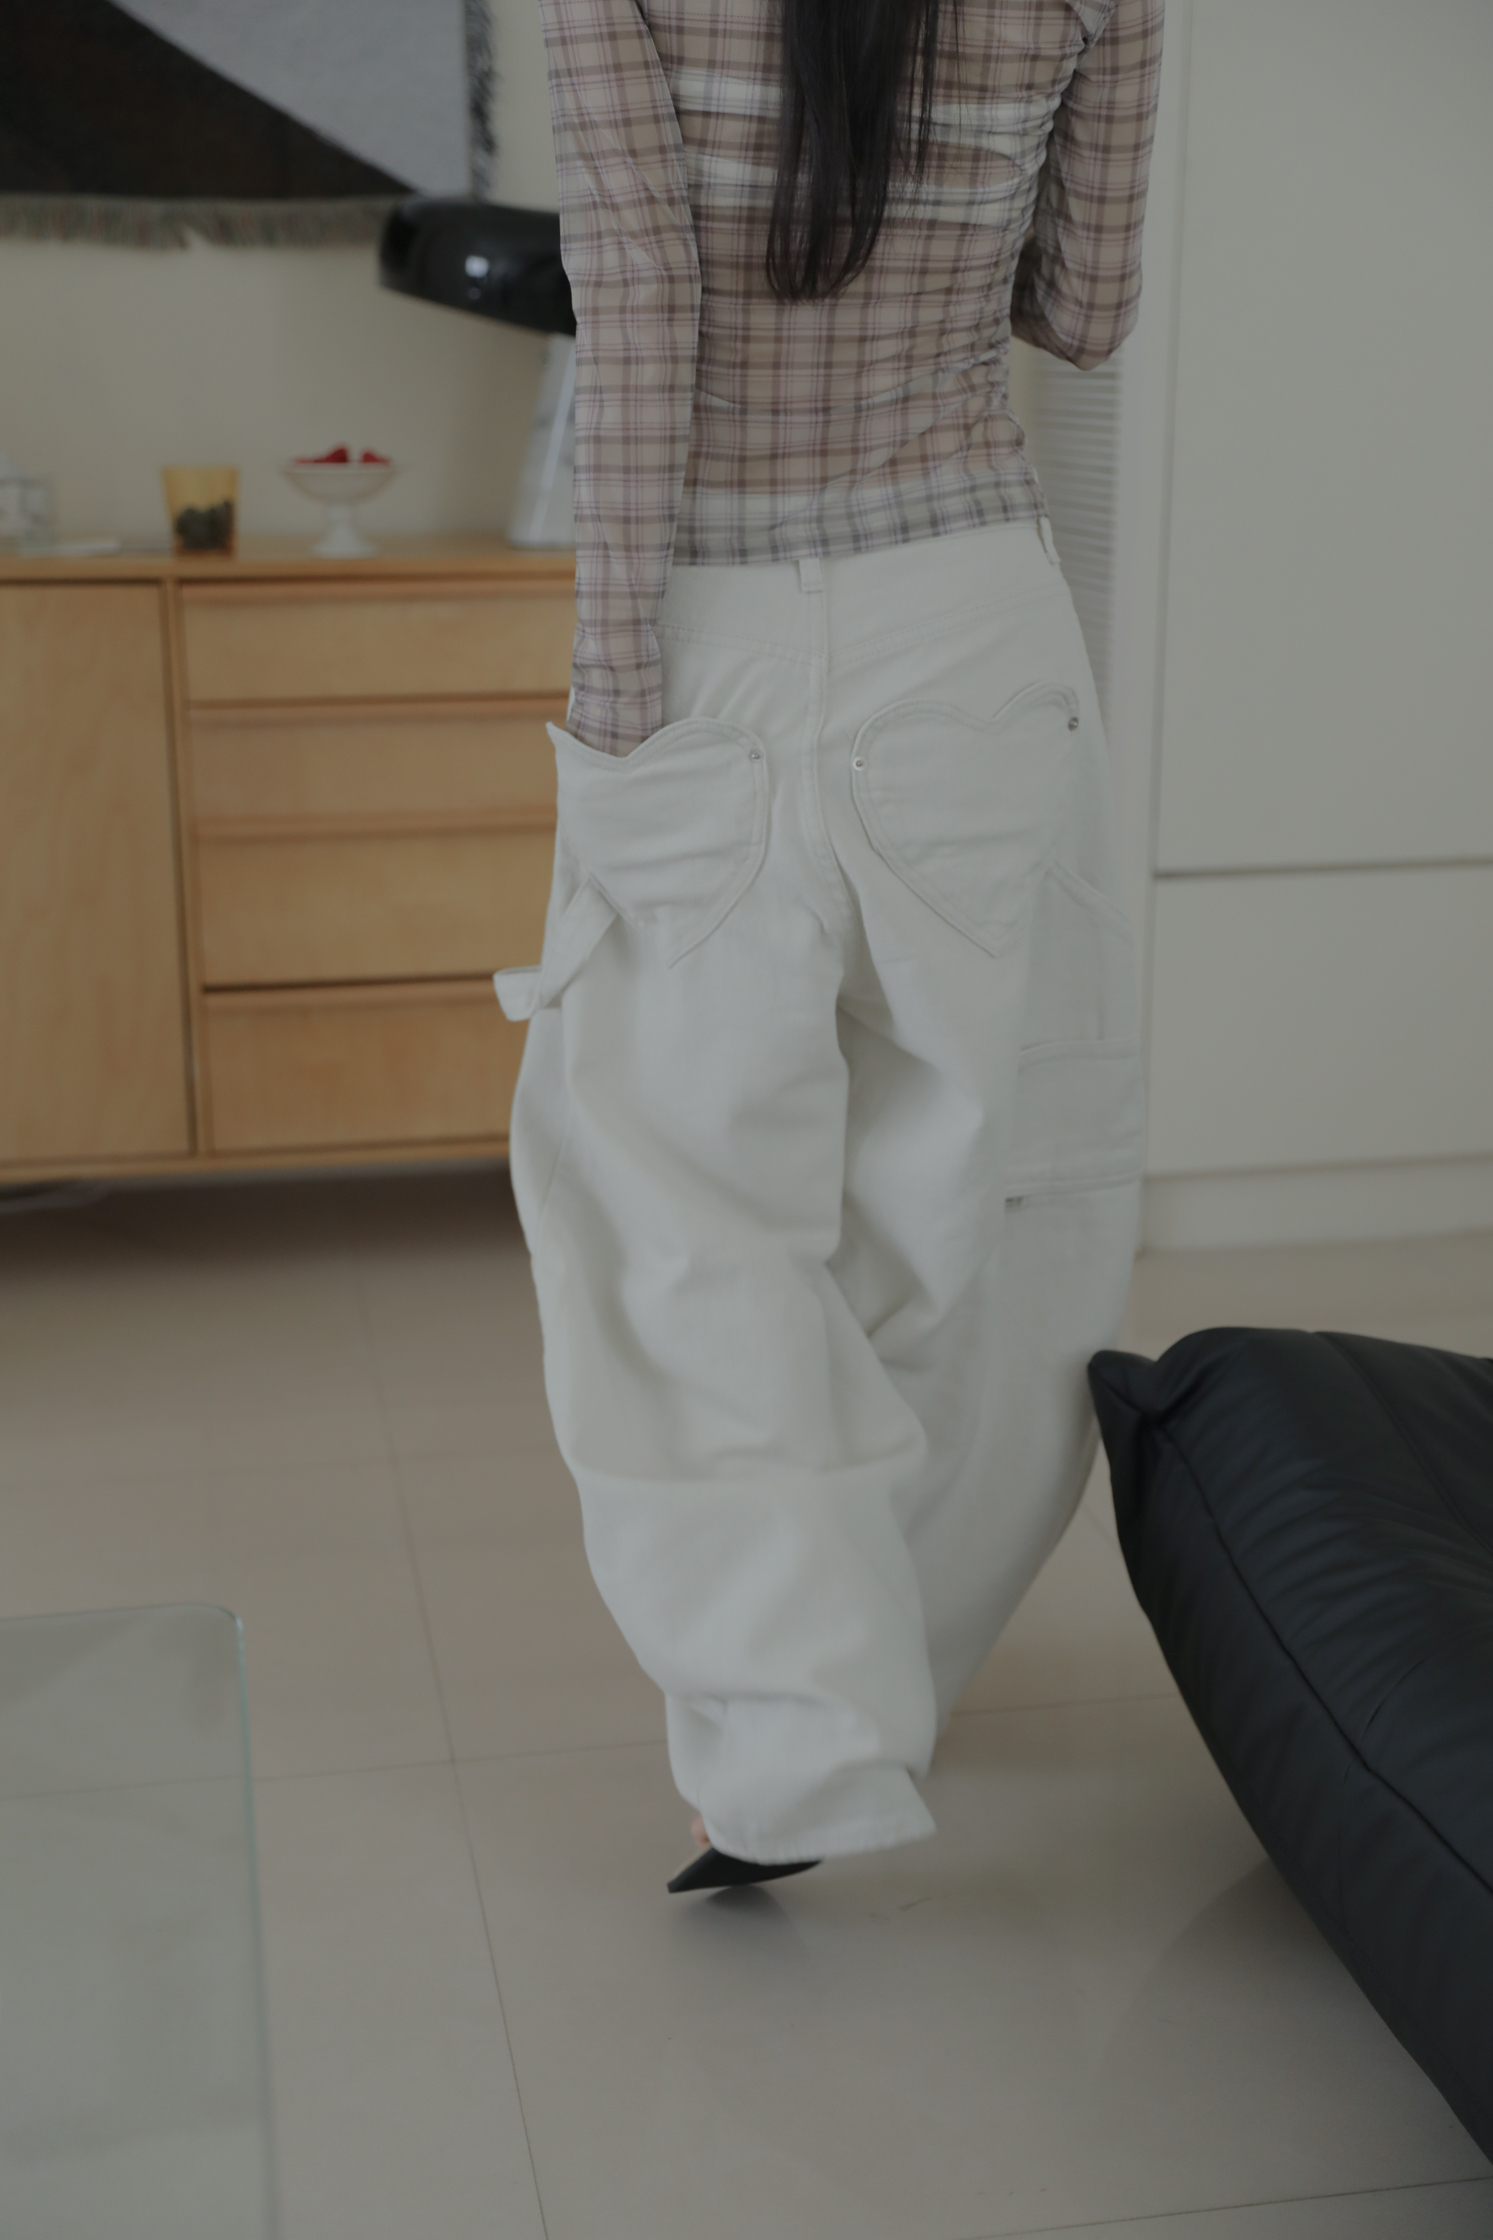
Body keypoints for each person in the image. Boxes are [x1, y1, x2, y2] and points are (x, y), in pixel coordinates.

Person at [496, 0, 1164, 1890]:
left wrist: (613, 702)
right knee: (975, 1204)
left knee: (678, 1211)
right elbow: (1084, 312)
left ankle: (792, 1735)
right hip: (970, 617)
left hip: (700, 620)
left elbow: (643, 309)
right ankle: (877, 1693)